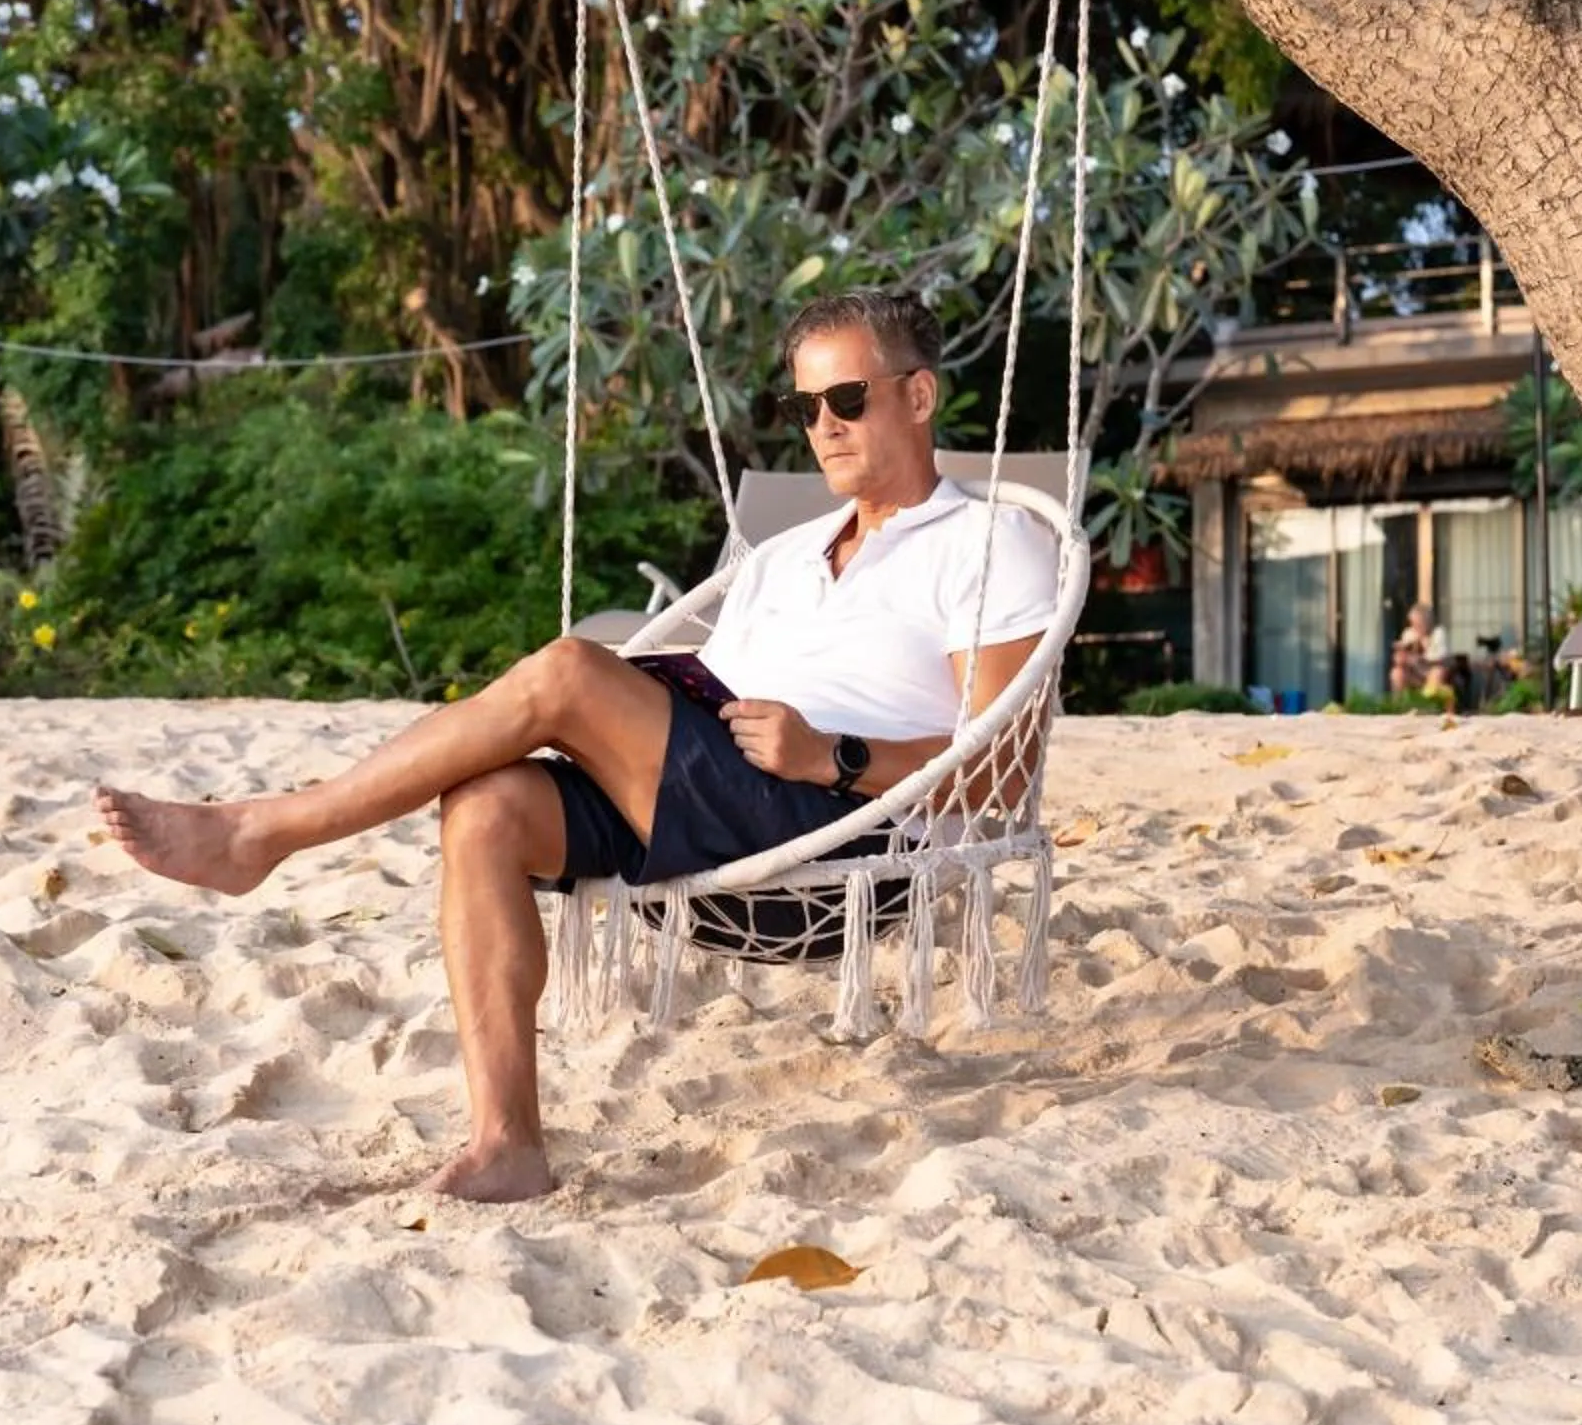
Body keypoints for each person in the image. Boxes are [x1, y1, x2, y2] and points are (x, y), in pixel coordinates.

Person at [94, 289, 1062, 1203]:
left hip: (839, 827)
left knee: (568, 671)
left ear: (920, 394)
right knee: (487, 808)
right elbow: (710, 701)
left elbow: (1004, 769)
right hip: (722, 796)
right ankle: (507, 1140)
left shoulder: (988, 541)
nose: (823, 426)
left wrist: (832, 755)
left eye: (846, 398)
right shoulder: (783, 557)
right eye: (803, 405)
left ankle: (265, 830)